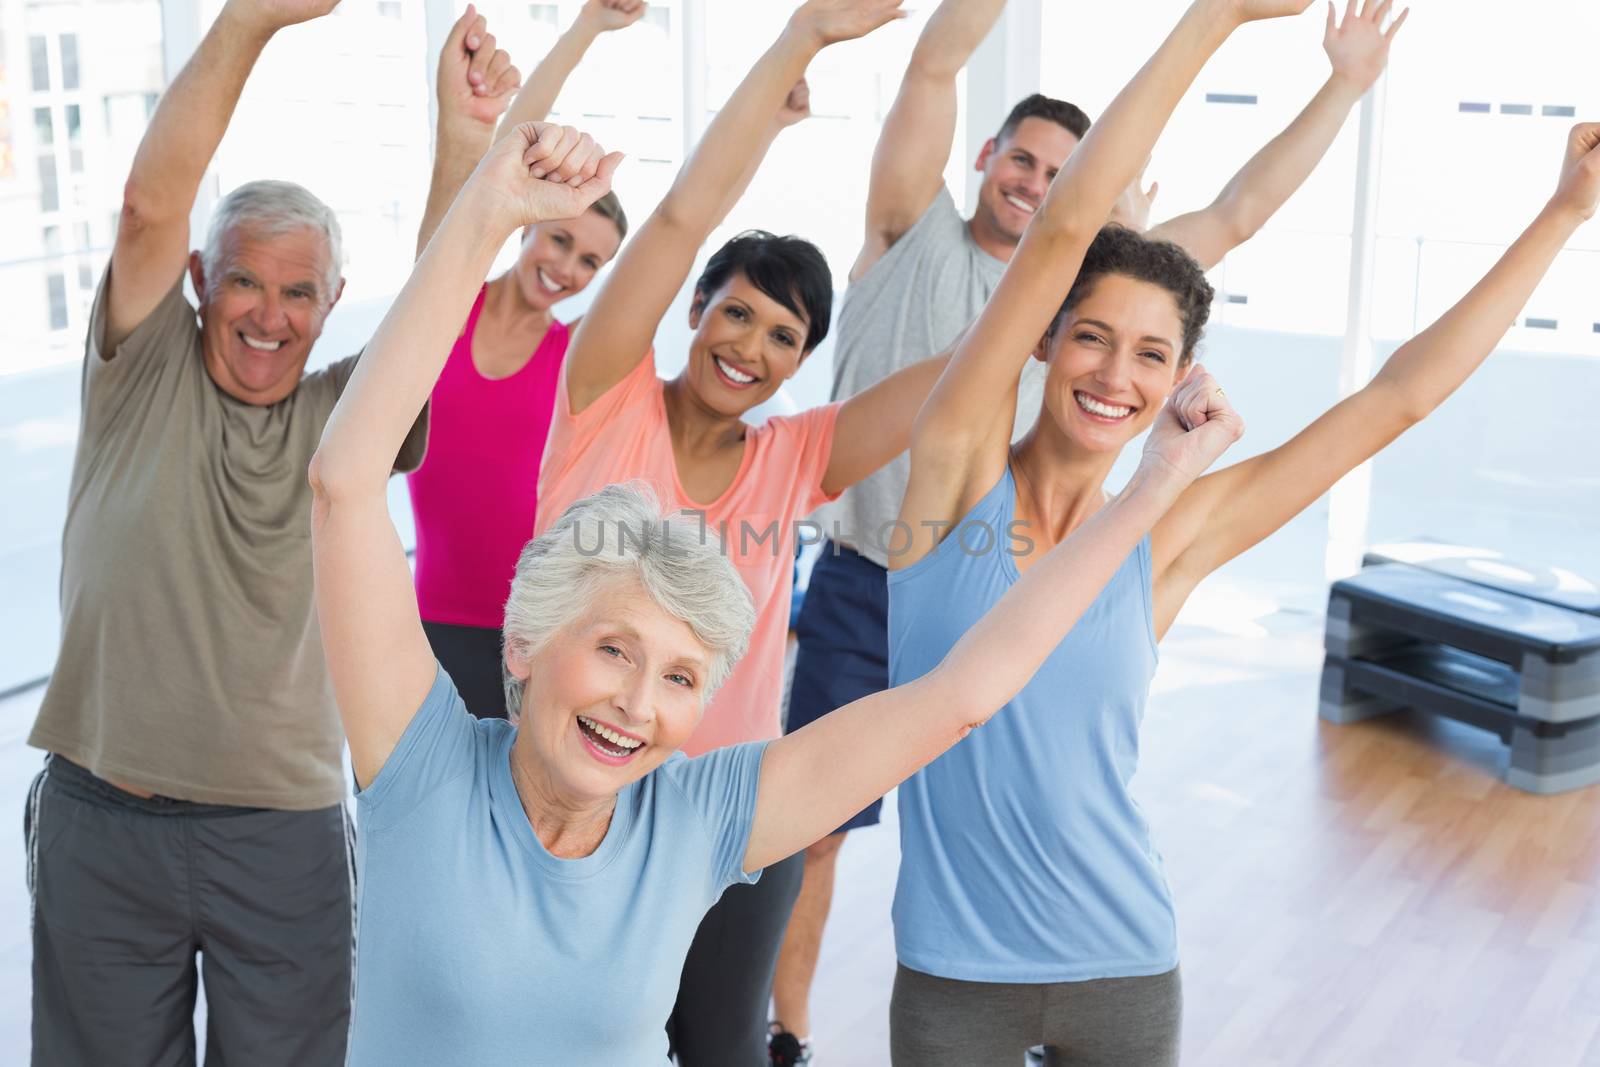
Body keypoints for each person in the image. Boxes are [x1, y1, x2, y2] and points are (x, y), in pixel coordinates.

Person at [306, 61, 1243, 1067]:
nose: (635, 700)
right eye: (615, 648)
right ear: (526, 641)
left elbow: (967, 689)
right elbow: (345, 481)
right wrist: (490, 206)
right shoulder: (425, 766)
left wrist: (1149, 487)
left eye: (678, 676)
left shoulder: (696, 813)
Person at [886, 3, 1599, 1063]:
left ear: (1180, 378)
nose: (1113, 375)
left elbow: (1394, 399)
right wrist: (1213, 17)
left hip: (1121, 963)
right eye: (1090, 336)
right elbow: (1068, 224)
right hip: (953, 974)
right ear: (1043, 337)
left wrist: (1563, 213)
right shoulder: (950, 478)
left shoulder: (1165, 533)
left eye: (1148, 354)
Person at [770, 0, 1410, 1055]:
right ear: (987, 159)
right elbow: (943, 71)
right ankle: (782, 1029)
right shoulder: (918, 233)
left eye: (1060, 172)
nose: (1035, 183)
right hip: (886, 566)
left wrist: (1340, 83)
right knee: (813, 835)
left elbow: (1238, 214)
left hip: (1037, 565)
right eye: (1021, 160)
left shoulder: (1093, 292)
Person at [525, 0, 972, 1058]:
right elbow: (678, 219)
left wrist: (1061, 291)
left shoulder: (795, 457)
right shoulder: (604, 396)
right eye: (735, 312)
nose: (751, 347)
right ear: (694, 311)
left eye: (784, 335)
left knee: (722, 1043)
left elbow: (958, 377)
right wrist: (802, 37)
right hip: (573, 788)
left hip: (728, 812)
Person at [20, 1, 427, 1063]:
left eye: (298, 290)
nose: (267, 312)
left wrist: (467, 142)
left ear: (332, 302)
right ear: (202, 283)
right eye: (243, 277)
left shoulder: (346, 416)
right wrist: (250, 18)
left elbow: (438, 308)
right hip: (102, 817)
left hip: (279, 836)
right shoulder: (139, 369)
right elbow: (152, 208)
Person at [407, 1, 642, 719]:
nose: (568, 267)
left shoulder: (577, 361)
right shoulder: (448, 301)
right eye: (561, 240)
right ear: (532, 224)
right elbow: (497, 154)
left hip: (531, 631)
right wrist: (586, 29)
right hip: (424, 618)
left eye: (591, 262)